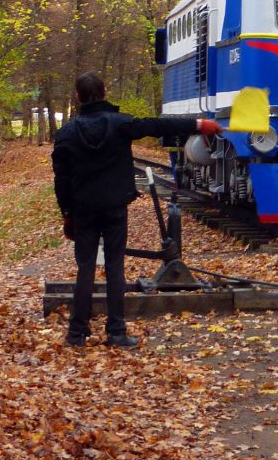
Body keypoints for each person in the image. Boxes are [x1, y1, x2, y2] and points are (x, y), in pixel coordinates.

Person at [52, 72, 219, 350]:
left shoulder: (67, 133)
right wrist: (200, 124)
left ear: (78, 96)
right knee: (115, 267)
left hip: (83, 209)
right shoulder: (121, 124)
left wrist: (67, 213)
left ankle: (77, 333)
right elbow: (157, 125)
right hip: (115, 207)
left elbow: (61, 179)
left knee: (85, 268)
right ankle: (116, 333)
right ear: (105, 91)